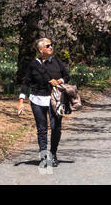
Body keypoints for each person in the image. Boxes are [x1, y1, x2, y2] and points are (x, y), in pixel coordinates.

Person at [17, 38, 70, 167]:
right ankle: (44, 156)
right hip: (37, 100)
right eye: (48, 46)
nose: (51, 47)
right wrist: (21, 101)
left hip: (55, 99)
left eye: (51, 45)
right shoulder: (33, 64)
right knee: (42, 129)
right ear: (41, 50)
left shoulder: (57, 61)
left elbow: (67, 76)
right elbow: (26, 82)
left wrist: (59, 81)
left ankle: (53, 153)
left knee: (56, 127)